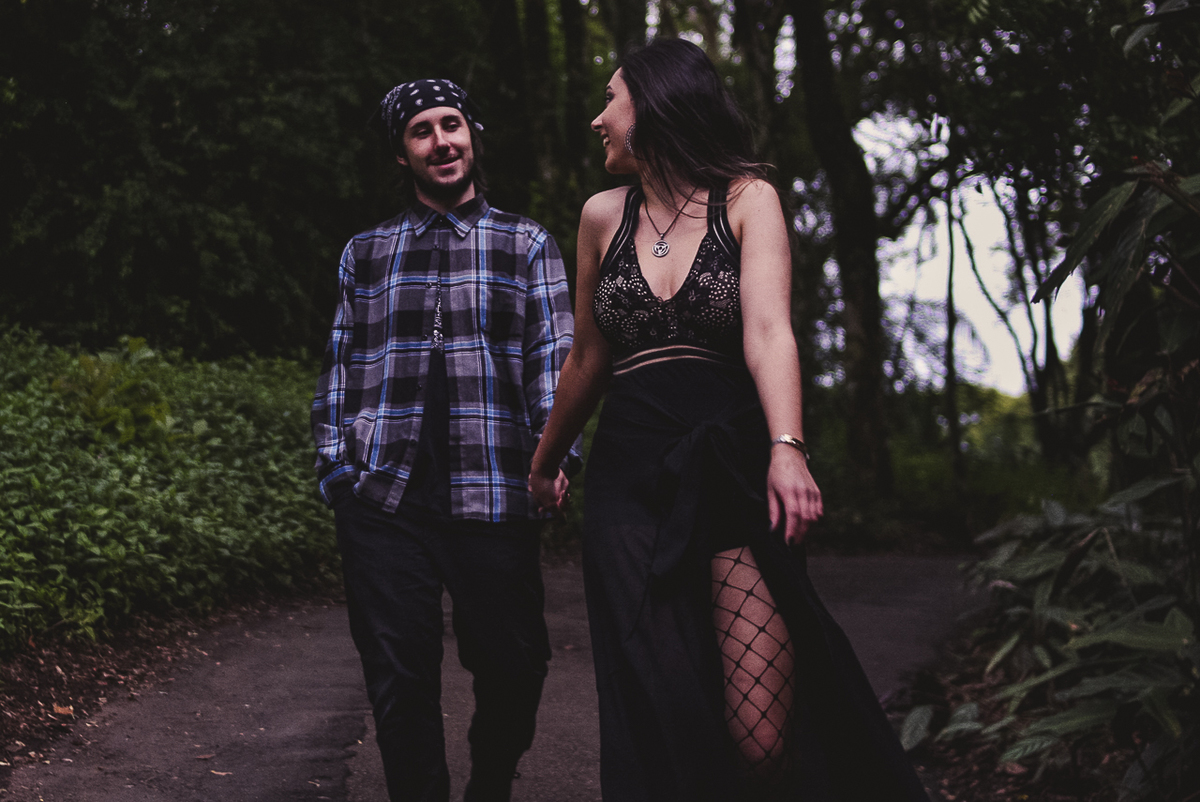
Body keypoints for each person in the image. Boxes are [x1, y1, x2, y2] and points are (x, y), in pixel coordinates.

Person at [528, 39, 930, 801]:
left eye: (611, 99)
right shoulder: (600, 216)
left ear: (653, 106)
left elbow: (770, 331)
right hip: (628, 482)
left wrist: (787, 447)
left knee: (761, 735)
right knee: (665, 705)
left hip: (729, 470)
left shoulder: (747, 199)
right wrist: (547, 463)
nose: (598, 119)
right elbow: (587, 357)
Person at [312, 78, 580, 802]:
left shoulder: (525, 243)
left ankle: (490, 783)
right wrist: (336, 470)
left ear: (472, 135)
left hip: (493, 489)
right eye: (422, 130)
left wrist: (555, 458)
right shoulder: (366, 252)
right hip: (383, 497)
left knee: (514, 664)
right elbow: (340, 362)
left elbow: (555, 361)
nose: (441, 141)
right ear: (402, 154)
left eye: (451, 124)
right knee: (399, 674)